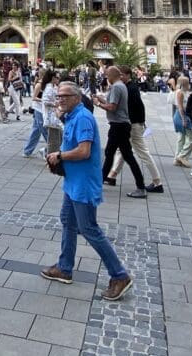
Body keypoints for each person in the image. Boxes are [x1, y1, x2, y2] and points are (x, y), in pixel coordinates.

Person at [40, 81, 133, 301]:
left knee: (89, 228)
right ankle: (64, 267)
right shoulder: (73, 115)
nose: (60, 98)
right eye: (59, 95)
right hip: (73, 182)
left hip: (83, 185)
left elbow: (84, 151)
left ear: (77, 98)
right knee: (68, 221)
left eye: (65, 95)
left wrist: (59, 156)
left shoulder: (83, 118)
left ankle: (119, 275)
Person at [107, 65, 162, 193]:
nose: (119, 77)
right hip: (134, 123)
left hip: (133, 124)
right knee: (123, 149)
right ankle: (112, 175)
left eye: (121, 75)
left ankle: (157, 182)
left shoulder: (128, 89)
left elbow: (128, 109)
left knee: (142, 152)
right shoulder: (129, 87)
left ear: (127, 75)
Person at [96, 66, 146, 199]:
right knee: (111, 153)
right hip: (121, 125)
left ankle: (141, 187)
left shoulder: (116, 87)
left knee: (123, 155)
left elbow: (112, 107)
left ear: (111, 75)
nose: (107, 79)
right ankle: (100, 182)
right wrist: (101, 100)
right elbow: (112, 103)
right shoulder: (121, 86)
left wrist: (98, 104)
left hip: (119, 125)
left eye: (107, 76)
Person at [22, 69, 55, 157]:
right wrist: (44, 100)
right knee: (44, 130)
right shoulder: (39, 85)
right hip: (39, 110)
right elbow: (34, 98)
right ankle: (51, 149)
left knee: (36, 130)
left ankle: (27, 151)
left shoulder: (46, 85)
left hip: (43, 109)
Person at [173, 75, 192, 167]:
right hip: (181, 116)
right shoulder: (180, 93)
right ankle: (182, 156)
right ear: (184, 83)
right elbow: (180, 107)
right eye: (188, 82)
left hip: (181, 115)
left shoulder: (182, 92)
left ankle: (177, 159)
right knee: (191, 139)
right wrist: (183, 119)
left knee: (181, 138)